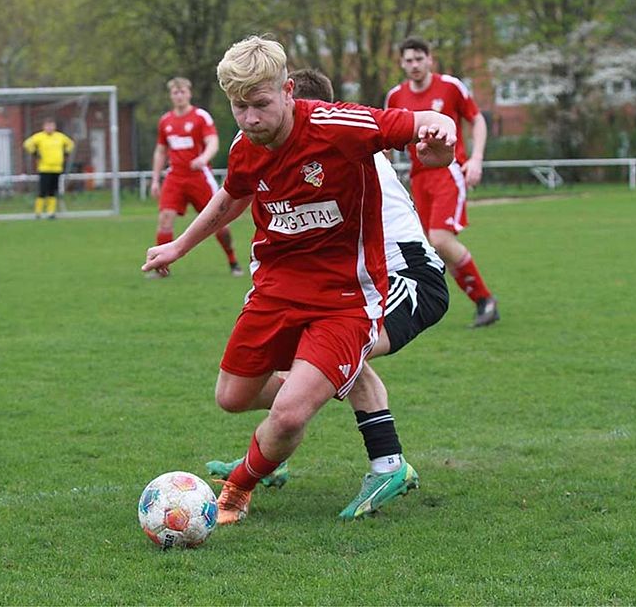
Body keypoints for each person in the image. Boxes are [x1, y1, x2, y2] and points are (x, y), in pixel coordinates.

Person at [142, 36, 456, 524]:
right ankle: (277, 443)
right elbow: (233, 196)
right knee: (234, 396)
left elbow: (430, 126)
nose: (249, 119)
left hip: (381, 280)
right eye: (239, 107)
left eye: (260, 105)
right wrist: (180, 245)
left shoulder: (343, 130)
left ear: (291, 94)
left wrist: (443, 144)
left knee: (307, 392)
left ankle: (343, 464)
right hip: (282, 288)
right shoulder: (249, 145)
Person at [385, 36, 500, 327]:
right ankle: (476, 303)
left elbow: (477, 119)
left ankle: (485, 300)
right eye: (408, 60)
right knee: (432, 247)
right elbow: (385, 139)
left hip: (449, 171)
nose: (414, 65)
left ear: (429, 60)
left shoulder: (450, 86)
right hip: (418, 178)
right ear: (402, 63)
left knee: (439, 238)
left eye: (419, 59)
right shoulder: (395, 96)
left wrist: (476, 159)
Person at [149, 77, 243, 277]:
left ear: (189, 94)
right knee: (165, 218)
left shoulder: (201, 117)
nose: (179, 95)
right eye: (175, 92)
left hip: (199, 177)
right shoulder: (165, 121)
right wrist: (155, 179)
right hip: (175, 176)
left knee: (219, 222)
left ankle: (233, 261)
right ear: (171, 96)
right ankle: (161, 268)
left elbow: (213, 142)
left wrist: (203, 158)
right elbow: (160, 151)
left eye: (182, 91)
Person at [23, 118, 74, 219]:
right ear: (44, 127)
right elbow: (27, 143)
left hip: (57, 168)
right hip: (44, 168)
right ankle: (38, 212)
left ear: (54, 127)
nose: (50, 128)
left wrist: (66, 153)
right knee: (42, 191)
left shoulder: (59, 136)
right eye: (47, 126)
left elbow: (70, 144)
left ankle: (51, 212)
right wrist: (34, 152)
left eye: (51, 126)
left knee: (52, 191)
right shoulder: (39, 136)